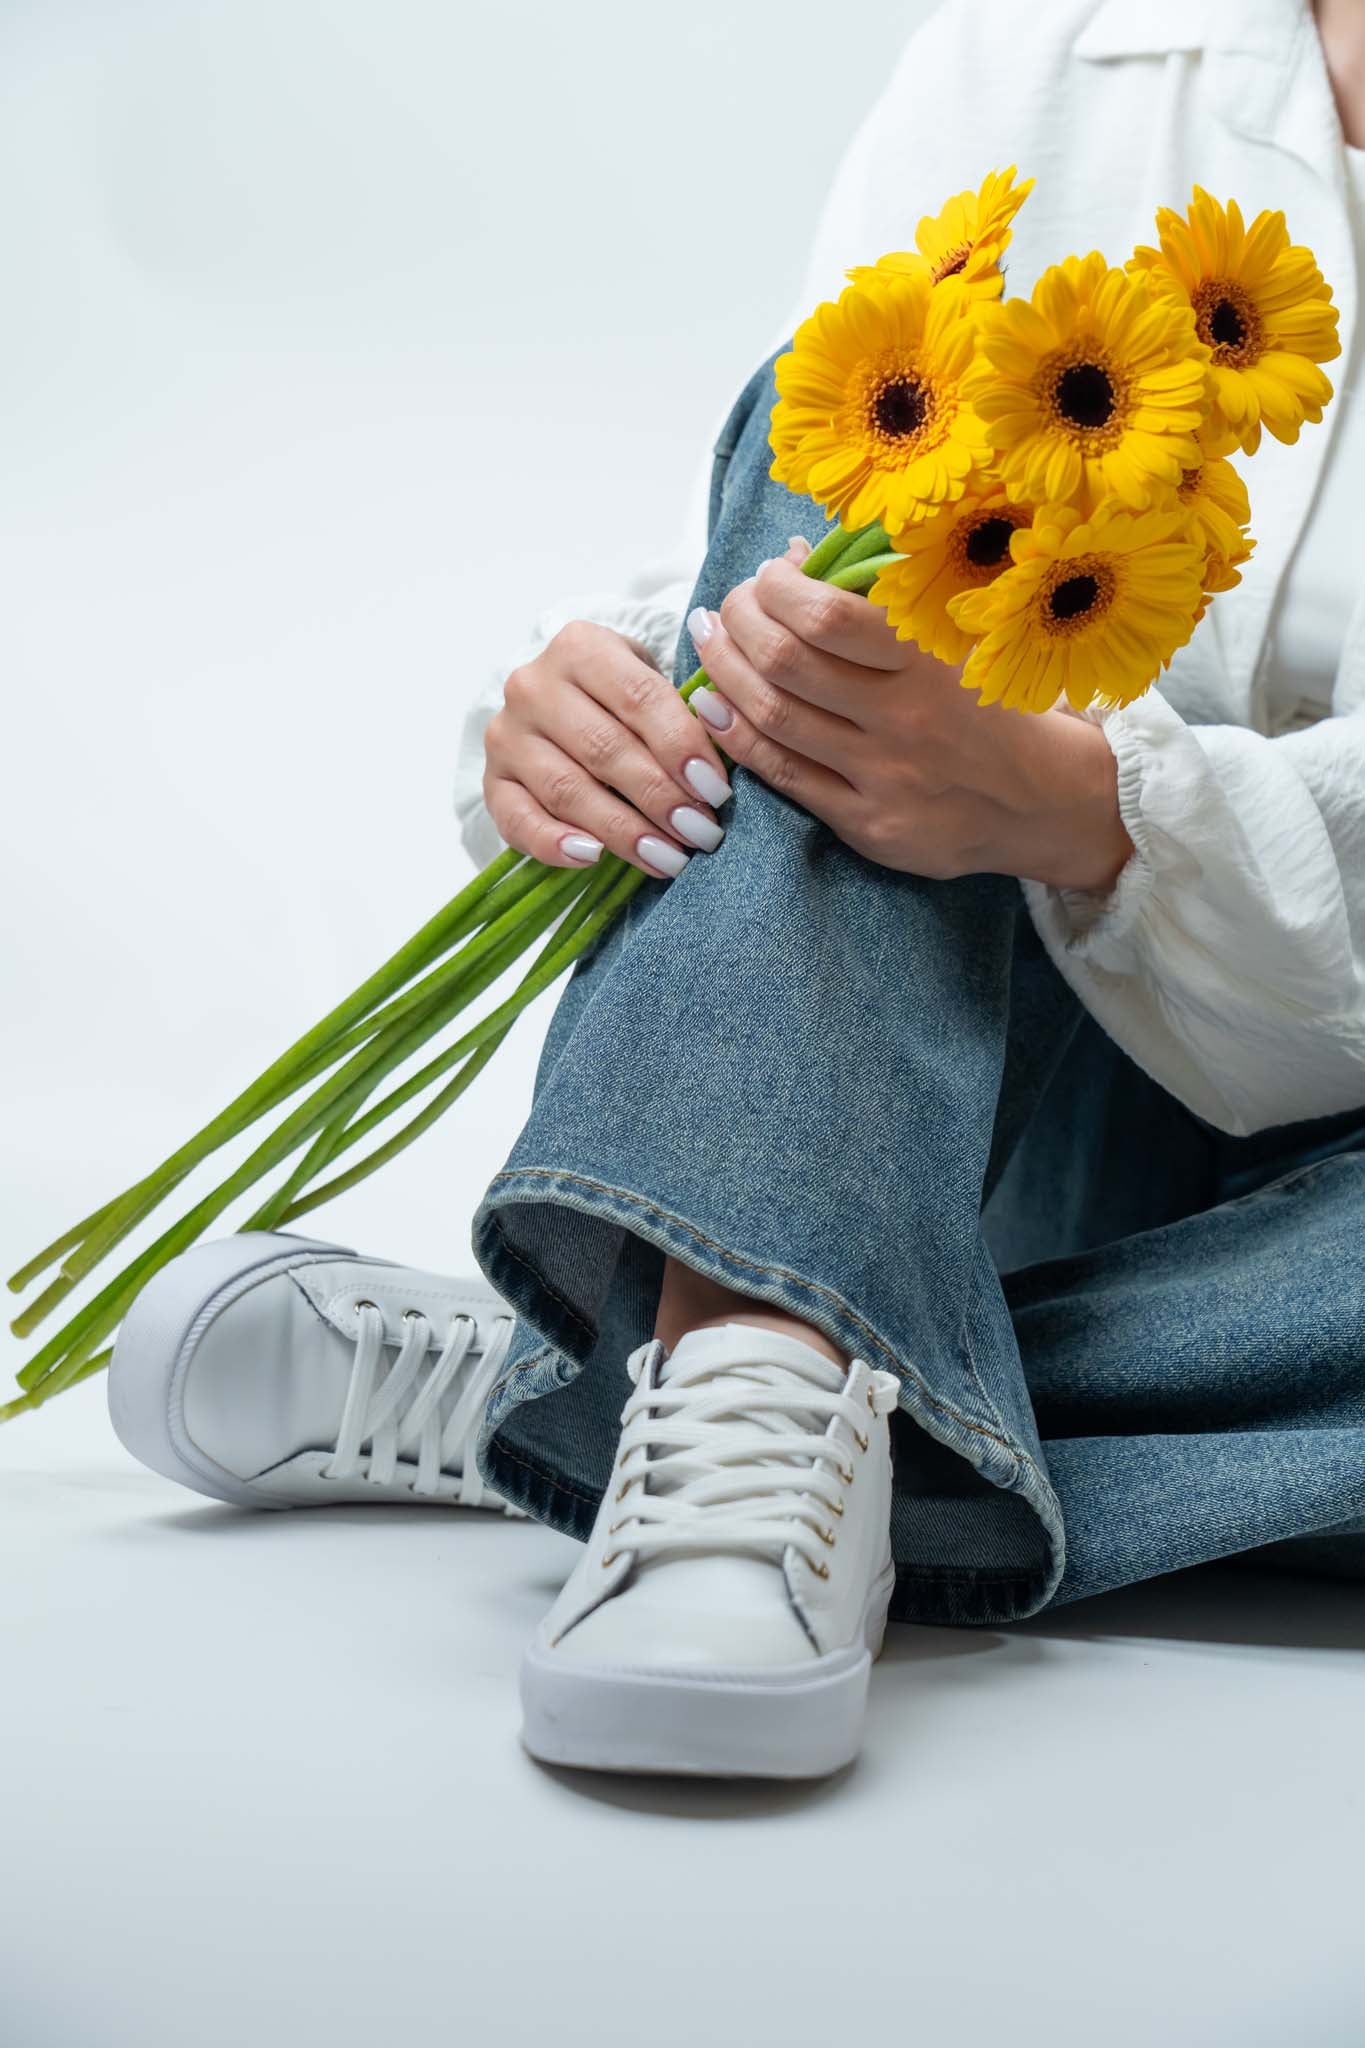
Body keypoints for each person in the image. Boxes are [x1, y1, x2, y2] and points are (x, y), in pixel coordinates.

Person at [110, 0, 1365, 1780]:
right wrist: (617, 709)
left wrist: (1089, 812)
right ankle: (758, 1362)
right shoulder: (1052, 45)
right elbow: (808, 529)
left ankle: (660, 1377)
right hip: (943, 1080)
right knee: (867, 410)